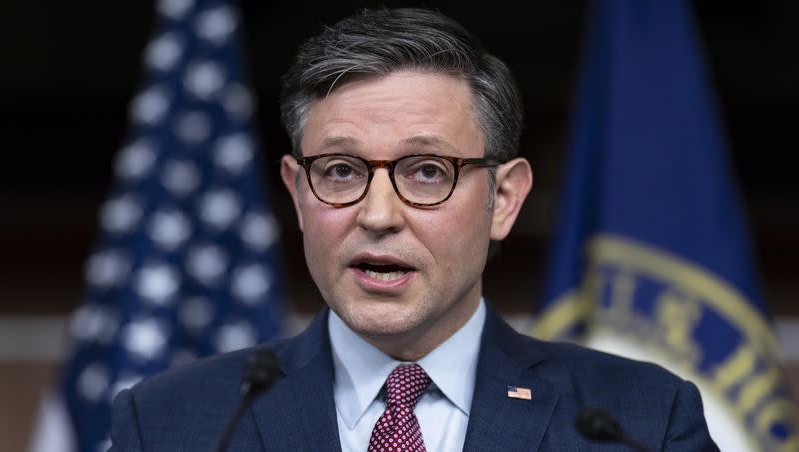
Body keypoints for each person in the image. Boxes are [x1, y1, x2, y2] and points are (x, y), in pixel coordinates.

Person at [110, 8, 718, 451]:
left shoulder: (639, 421)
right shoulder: (173, 423)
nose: (377, 215)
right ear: (297, 193)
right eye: (341, 171)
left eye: (427, 172)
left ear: (503, 198)